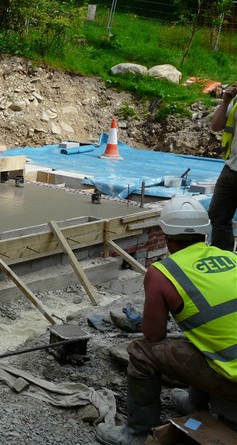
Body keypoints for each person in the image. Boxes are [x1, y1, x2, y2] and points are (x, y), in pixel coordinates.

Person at [95, 196, 237, 445]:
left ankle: (137, 433)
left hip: (232, 378)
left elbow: (153, 336)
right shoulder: (231, 258)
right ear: (205, 232)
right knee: (201, 335)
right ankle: (195, 404)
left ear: (167, 236)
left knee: (142, 352)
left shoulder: (162, 273)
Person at [208, 83, 237, 251]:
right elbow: (216, 126)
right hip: (231, 169)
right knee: (217, 216)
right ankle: (223, 258)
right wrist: (226, 101)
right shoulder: (235, 101)